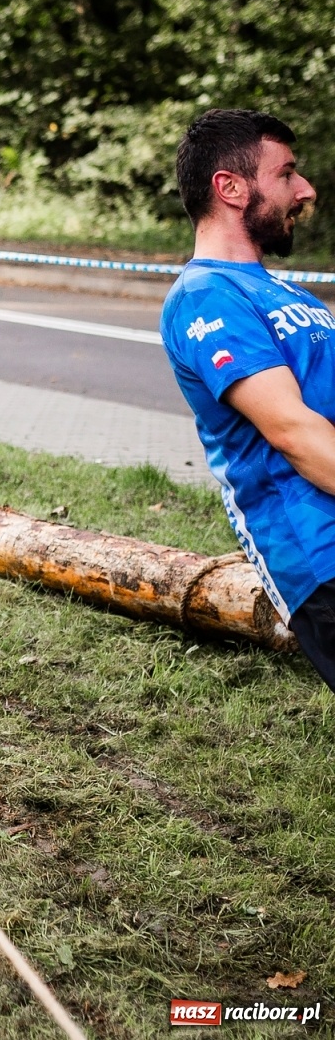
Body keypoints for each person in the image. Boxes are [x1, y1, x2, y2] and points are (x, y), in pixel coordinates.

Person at [160, 109, 335, 686]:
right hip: (318, 550)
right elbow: (293, 432)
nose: (305, 190)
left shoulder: (286, 289)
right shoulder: (206, 294)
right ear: (231, 188)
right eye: (287, 173)